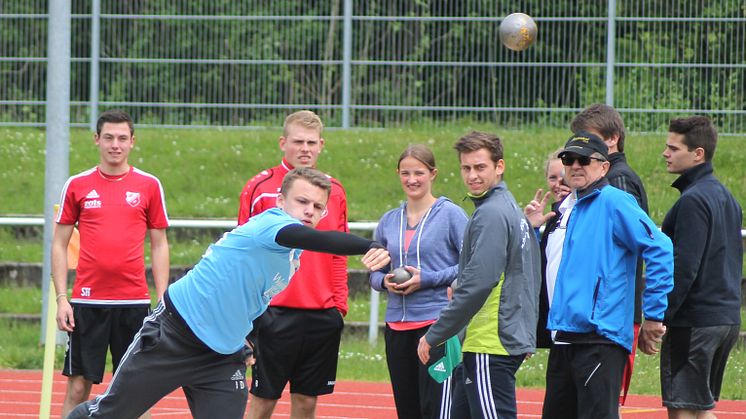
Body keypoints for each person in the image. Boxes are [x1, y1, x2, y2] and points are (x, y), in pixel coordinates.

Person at [66, 167, 391, 419]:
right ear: (281, 202)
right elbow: (323, 242)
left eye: (318, 206)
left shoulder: (293, 256)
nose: (309, 210)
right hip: (174, 335)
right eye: (302, 201)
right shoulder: (272, 225)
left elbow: (256, 298)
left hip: (220, 356)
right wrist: (370, 245)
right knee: (111, 414)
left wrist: (248, 339)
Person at [539, 132, 674, 419]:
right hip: (563, 336)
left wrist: (653, 315)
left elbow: (660, 248)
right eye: (569, 159)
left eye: (584, 160)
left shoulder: (615, 201)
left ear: (604, 167)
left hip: (599, 338)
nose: (575, 165)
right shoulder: (565, 209)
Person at [52, 109, 169, 419]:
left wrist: (163, 297)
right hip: (87, 303)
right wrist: (62, 298)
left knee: (133, 388)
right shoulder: (77, 185)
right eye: (108, 138)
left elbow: (159, 243)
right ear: (96, 140)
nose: (115, 144)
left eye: (122, 138)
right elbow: (59, 244)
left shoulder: (149, 185)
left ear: (132, 142)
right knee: (78, 387)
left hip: (134, 302)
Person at [416, 131, 541, 419]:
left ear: (500, 166)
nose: (472, 175)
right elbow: (512, 271)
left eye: (480, 167)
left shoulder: (491, 214)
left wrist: (436, 333)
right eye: (466, 168)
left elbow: (479, 282)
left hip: (490, 342)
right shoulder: (509, 208)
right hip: (495, 340)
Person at [237, 110, 349, 419]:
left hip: (321, 314)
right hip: (274, 312)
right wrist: (247, 314)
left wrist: (339, 306)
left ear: (321, 145)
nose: (305, 149)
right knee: (263, 400)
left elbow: (338, 253)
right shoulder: (260, 188)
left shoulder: (334, 191)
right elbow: (242, 253)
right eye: (298, 141)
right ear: (283, 143)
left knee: (307, 402)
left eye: (311, 142)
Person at [644, 116, 742, 419]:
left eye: (673, 148)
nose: (665, 153)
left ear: (698, 153)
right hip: (724, 317)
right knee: (700, 408)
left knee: (683, 408)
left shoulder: (693, 200)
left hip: (695, 321)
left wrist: (659, 315)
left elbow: (683, 268)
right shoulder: (727, 197)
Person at [370, 144, 468, 419]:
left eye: (419, 173)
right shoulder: (389, 221)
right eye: (405, 173)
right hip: (397, 326)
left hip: (436, 326)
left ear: (433, 174)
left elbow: (470, 265)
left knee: (437, 409)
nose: (412, 180)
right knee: (407, 409)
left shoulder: (451, 215)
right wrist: (383, 282)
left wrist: (427, 279)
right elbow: (374, 272)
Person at [570, 104, 649, 406]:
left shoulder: (617, 182)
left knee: (601, 406)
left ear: (612, 139)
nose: (581, 149)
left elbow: (638, 246)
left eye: (588, 140)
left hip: (607, 318)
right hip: (598, 316)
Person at [523, 148, 570, 349]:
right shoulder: (551, 217)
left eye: (563, 176)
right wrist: (531, 227)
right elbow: (531, 263)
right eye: (552, 178)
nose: (558, 184)